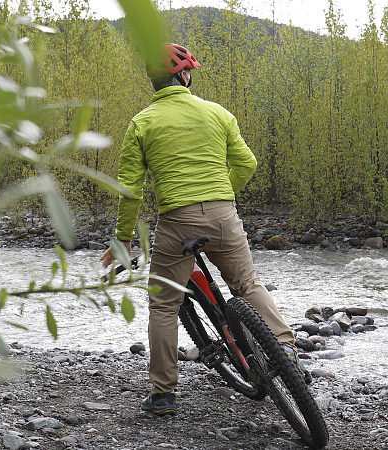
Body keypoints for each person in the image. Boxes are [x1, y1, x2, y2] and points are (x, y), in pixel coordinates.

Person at [100, 43, 305, 416]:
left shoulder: (142, 123)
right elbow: (248, 163)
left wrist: (124, 239)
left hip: (177, 221)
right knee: (247, 285)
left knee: (164, 304)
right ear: (184, 75)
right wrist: (221, 195)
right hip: (224, 215)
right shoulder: (217, 113)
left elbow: (131, 190)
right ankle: (286, 348)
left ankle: (163, 394)